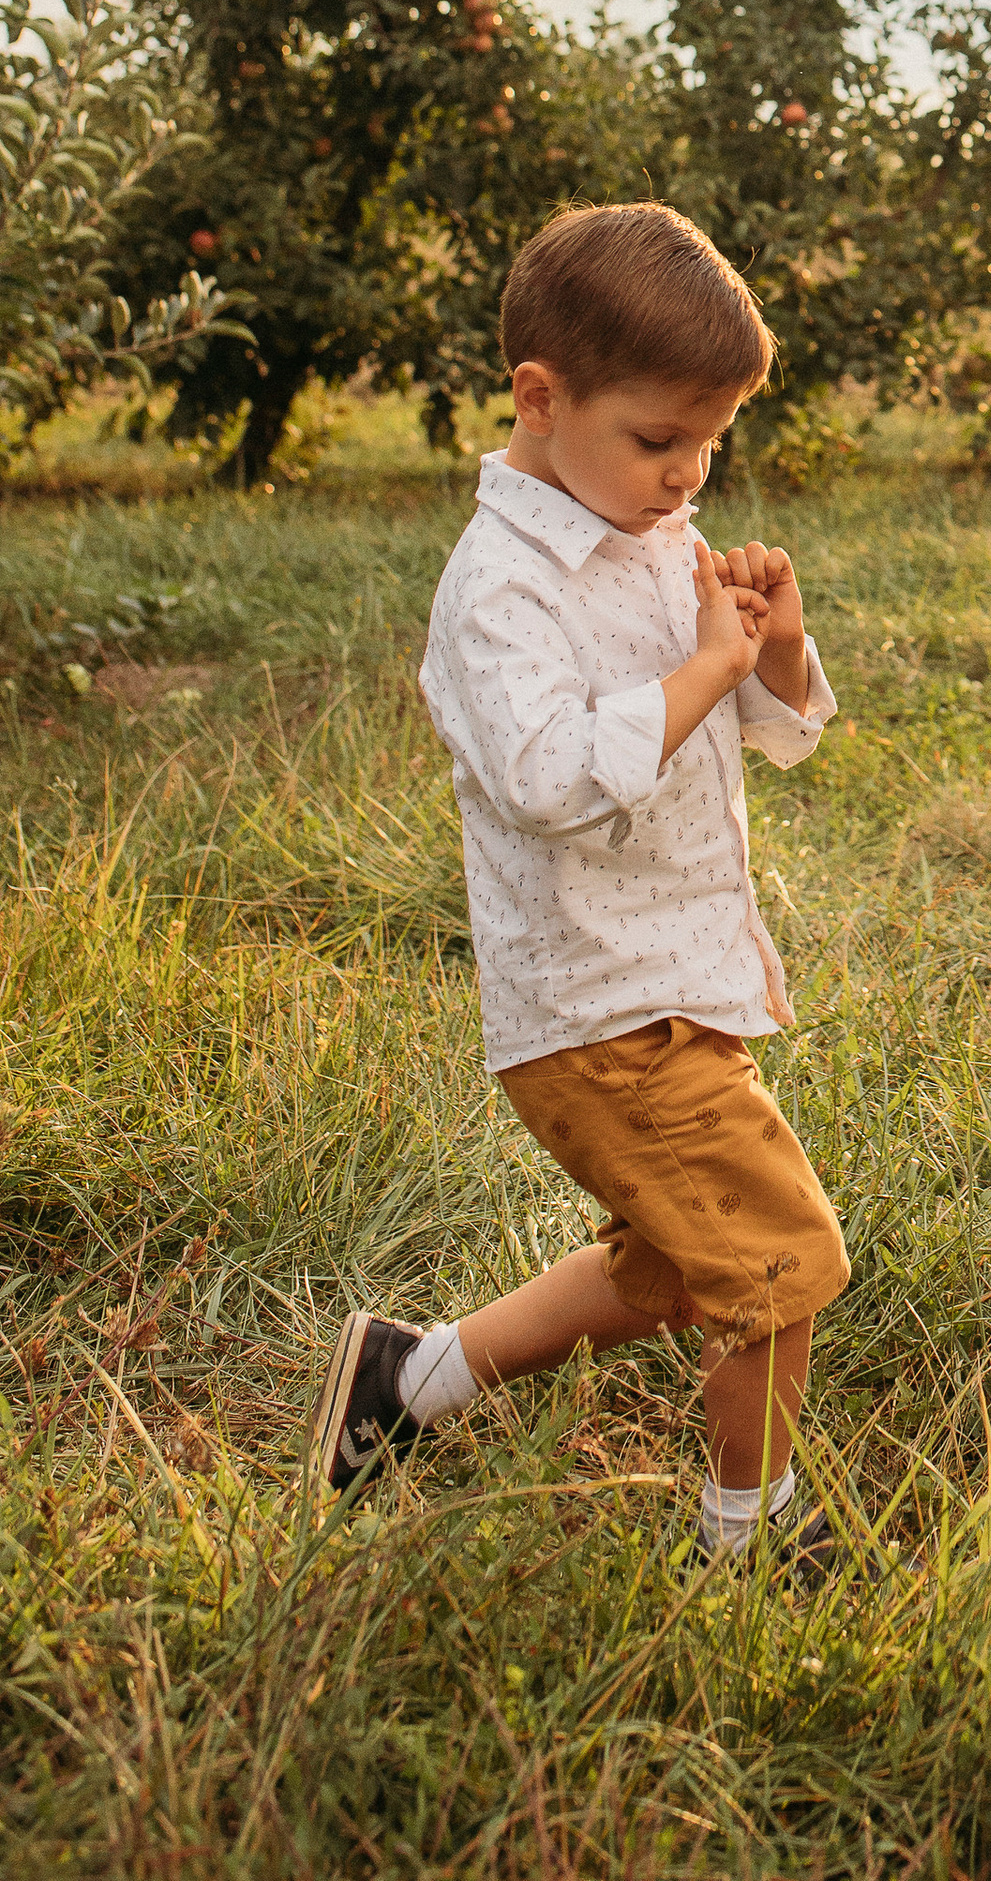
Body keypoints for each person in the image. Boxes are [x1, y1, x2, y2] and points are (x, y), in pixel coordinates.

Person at [307, 200, 851, 1576]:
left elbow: (769, 736)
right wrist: (703, 671)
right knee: (783, 1259)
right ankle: (754, 1545)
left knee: (674, 1266)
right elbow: (550, 776)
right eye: (658, 439)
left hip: (678, 982)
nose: (687, 475)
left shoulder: (659, 541)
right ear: (540, 400)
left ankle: (407, 1382)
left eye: (711, 441)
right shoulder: (500, 592)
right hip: (596, 1009)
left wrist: (772, 652)